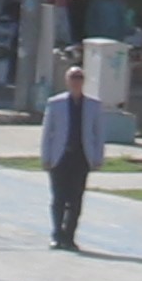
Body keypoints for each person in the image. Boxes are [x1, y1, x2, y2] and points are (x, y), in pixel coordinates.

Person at [39, 53, 109, 251]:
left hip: (81, 157)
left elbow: (98, 133)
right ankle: (56, 234)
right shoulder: (55, 103)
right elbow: (47, 133)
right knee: (58, 198)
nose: (76, 82)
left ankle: (70, 236)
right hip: (60, 157)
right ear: (67, 81)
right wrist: (46, 157)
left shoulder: (93, 105)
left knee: (76, 199)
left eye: (80, 78)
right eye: (73, 78)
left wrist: (98, 157)